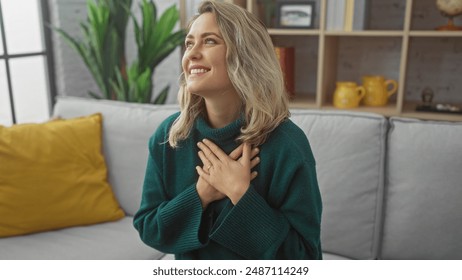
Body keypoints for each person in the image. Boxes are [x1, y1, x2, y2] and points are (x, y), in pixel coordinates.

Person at [133, 0, 322, 260]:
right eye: (189, 43)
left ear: (245, 56)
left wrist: (239, 194)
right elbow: (149, 229)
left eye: (209, 41)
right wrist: (201, 195)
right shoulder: (169, 137)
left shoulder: (287, 145)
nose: (191, 54)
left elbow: (305, 260)